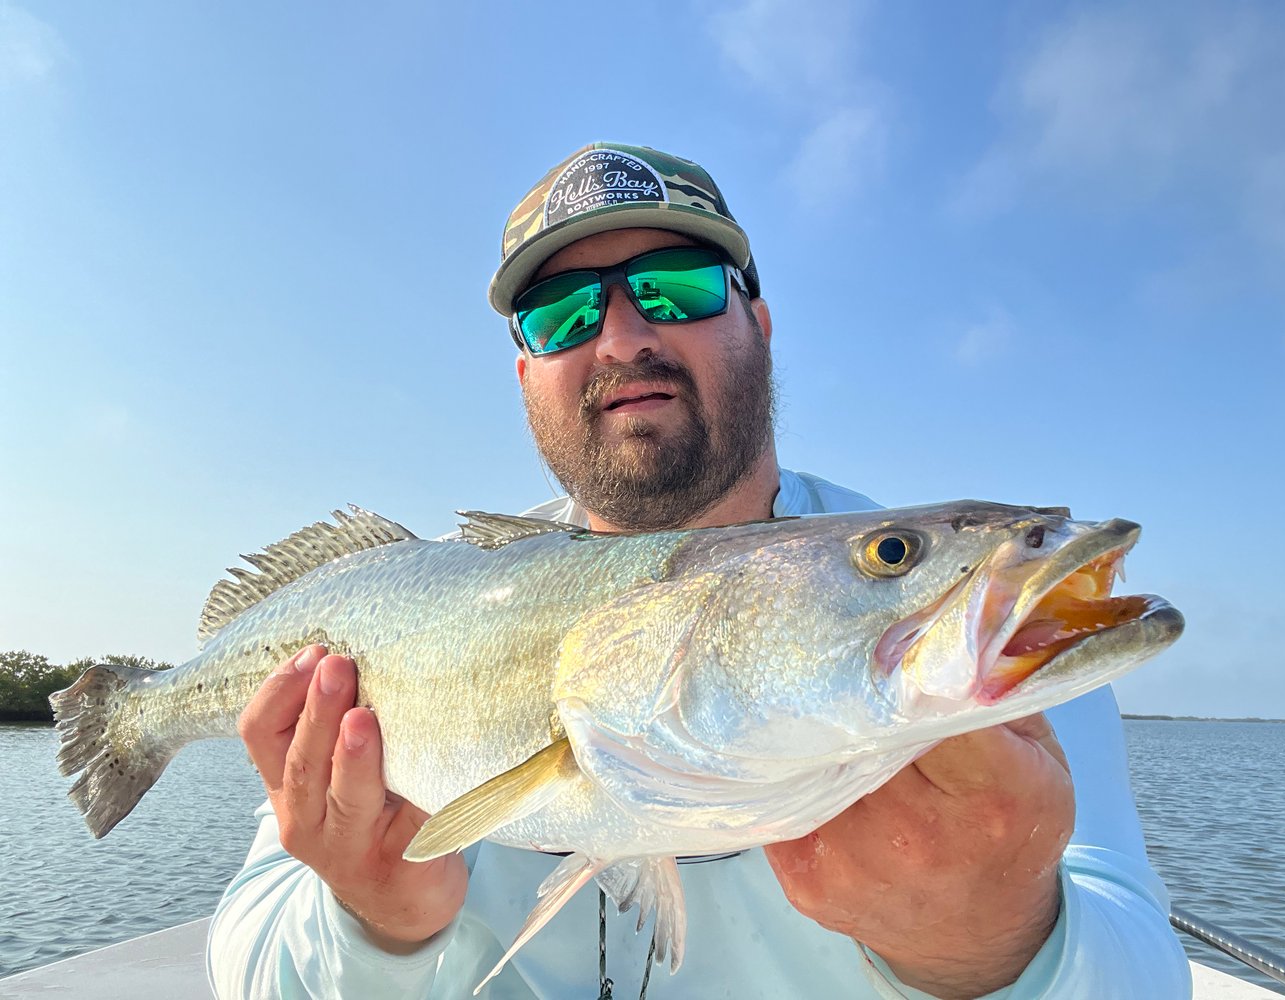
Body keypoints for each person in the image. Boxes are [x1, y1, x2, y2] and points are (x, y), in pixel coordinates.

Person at [208, 143, 1190, 999]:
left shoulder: (990, 656)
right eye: (560, 314)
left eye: (677, 285)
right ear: (524, 377)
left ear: (758, 324)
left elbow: (1144, 971)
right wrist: (375, 925)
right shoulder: (403, 607)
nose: (624, 335)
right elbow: (242, 962)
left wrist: (990, 942)